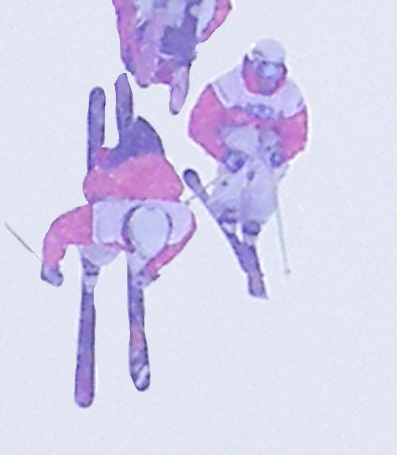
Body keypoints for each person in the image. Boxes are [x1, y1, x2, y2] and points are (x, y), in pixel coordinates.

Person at [40, 115, 196, 290]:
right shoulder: (109, 217)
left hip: (146, 148)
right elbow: (62, 229)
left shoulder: (178, 222)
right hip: (137, 150)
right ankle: (94, 259)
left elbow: (60, 231)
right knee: (104, 251)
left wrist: (151, 270)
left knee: (106, 249)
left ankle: (94, 260)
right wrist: (49, 266)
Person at [187, 38, 309, 244]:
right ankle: (226, 205)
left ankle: (255, 217)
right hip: (234, 134)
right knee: (244, 143)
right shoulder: (229, 87)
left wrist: (282, 152)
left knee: (267, 166)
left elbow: (297, 133)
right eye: (265, 71)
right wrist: (223, 153)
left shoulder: (289, 96)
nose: (269, 79)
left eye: (276, 72)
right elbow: (200, 125)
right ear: (254, 66)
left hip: (268, 138)